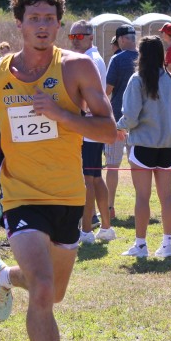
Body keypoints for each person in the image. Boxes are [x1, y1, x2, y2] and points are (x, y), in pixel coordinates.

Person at [0, 0, 116, 341]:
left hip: (69, 198)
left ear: (59, 24)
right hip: (20, 196)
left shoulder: (76, 69)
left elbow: (108, 130)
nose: (41, 26)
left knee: (53, 290)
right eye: (33, 18)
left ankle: (4, 276)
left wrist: (62, 115)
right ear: (18, 24)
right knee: (44, 289)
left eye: (49, 19)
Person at [116, 36, 171, 258]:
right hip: (168, 147)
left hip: (143, 145)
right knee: (166, 196)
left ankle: (141, 245)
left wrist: (118, 127)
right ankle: (167, 244)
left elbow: (130, 117)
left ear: (141, 55)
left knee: (142, 197)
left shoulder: (137, 79)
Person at [68, 20, 116, 243]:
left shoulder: (89, 60)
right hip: (92, 128)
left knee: (88, 179)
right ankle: (105, 227)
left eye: (79, 36)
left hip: (88, 128)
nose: (75, 41)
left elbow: (88, 97)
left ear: (90, 37)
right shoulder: (92, 58)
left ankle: (86, 230)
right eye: (72, 37)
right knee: (95, 178)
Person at [104, 24, 138, 219]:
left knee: (112, 165)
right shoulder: (144, 57)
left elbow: (108, 90)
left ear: (121, 39)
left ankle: (110, 208)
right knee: (138, 166)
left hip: (117, 119)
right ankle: (140, 206)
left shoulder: (116, 59)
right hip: (140, 121)